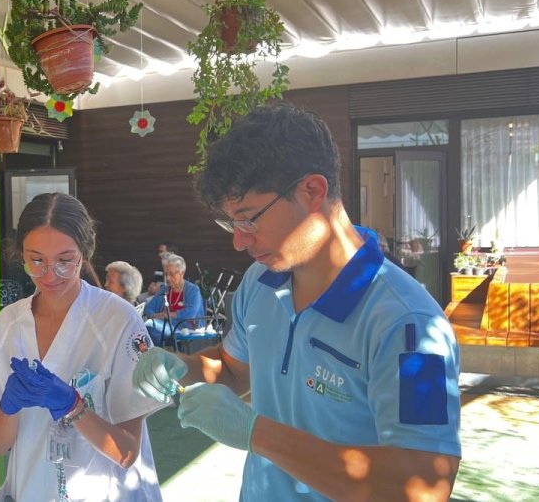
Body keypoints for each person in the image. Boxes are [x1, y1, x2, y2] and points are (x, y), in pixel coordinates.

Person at [133, 103, 461, 501]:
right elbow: (236, 370)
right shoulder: (260, 283)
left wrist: (258, 434)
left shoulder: (409, 325)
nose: (239, 241)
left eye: (249, 219)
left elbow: (423, 489)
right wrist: (182, 367)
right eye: (231, 223)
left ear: (312, 191)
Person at [0, 193, 163, 501]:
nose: (49, 274)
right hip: (30, 491)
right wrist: (8, 406)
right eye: (36, 261)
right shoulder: (8, 324)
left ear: (84, 254)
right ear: (21, 255)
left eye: (64, 261)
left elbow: (126, 453)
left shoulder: (117, 321)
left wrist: (74, 406)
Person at [141, 252, 205, 346]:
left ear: (182, 273)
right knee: (148, 328)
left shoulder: (193, 290)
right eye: (166, 274)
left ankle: (158, 356)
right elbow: (149, 308)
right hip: (164, 326)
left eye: (171, 274)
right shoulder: (164, 289)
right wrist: (155, 315)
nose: (168, 278)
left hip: (186, 328)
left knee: (152, 331)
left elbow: (191, 312)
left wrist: (168, 315)